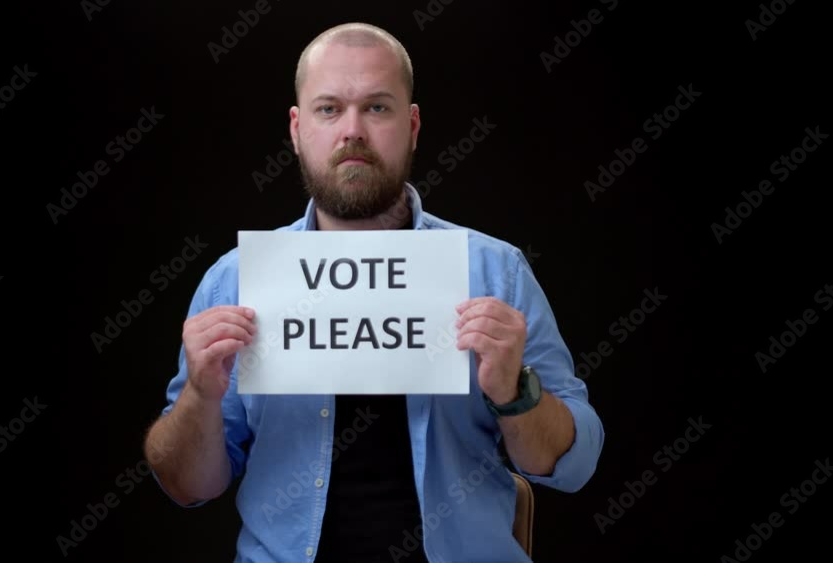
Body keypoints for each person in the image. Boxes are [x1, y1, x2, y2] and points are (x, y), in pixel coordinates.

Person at [144, 22, 604, 563]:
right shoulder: (236, 281)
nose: (353, 131)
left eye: (378, 108)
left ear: (412, 125)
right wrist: (201, 395)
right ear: (296, 129)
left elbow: (574, 466)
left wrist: (514, 391)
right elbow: (187, 486)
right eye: (329, 109)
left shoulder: (493, 271)